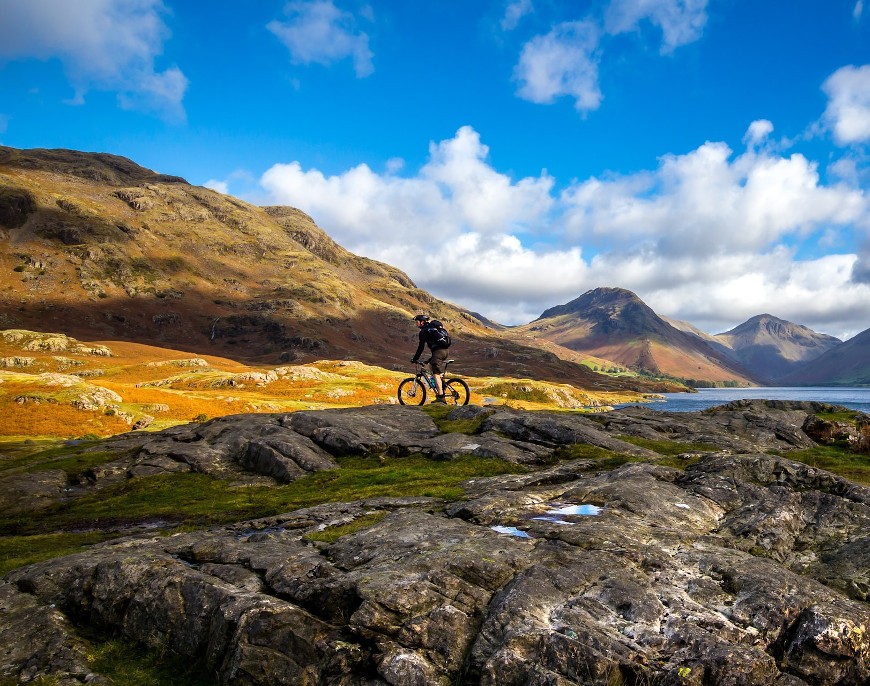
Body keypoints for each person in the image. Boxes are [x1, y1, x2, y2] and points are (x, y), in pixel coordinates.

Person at [411, 314, 450, 403]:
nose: (416, 324)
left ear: (422, 322)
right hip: (445, 351)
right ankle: (442, 384)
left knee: (436, 373)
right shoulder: (431, 329)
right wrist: (429, 360)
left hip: (438, 352)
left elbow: (421, 347)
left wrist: (415, 359)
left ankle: (440, 397)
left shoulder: (424, 331)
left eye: (417, 322)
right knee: (428, 367)